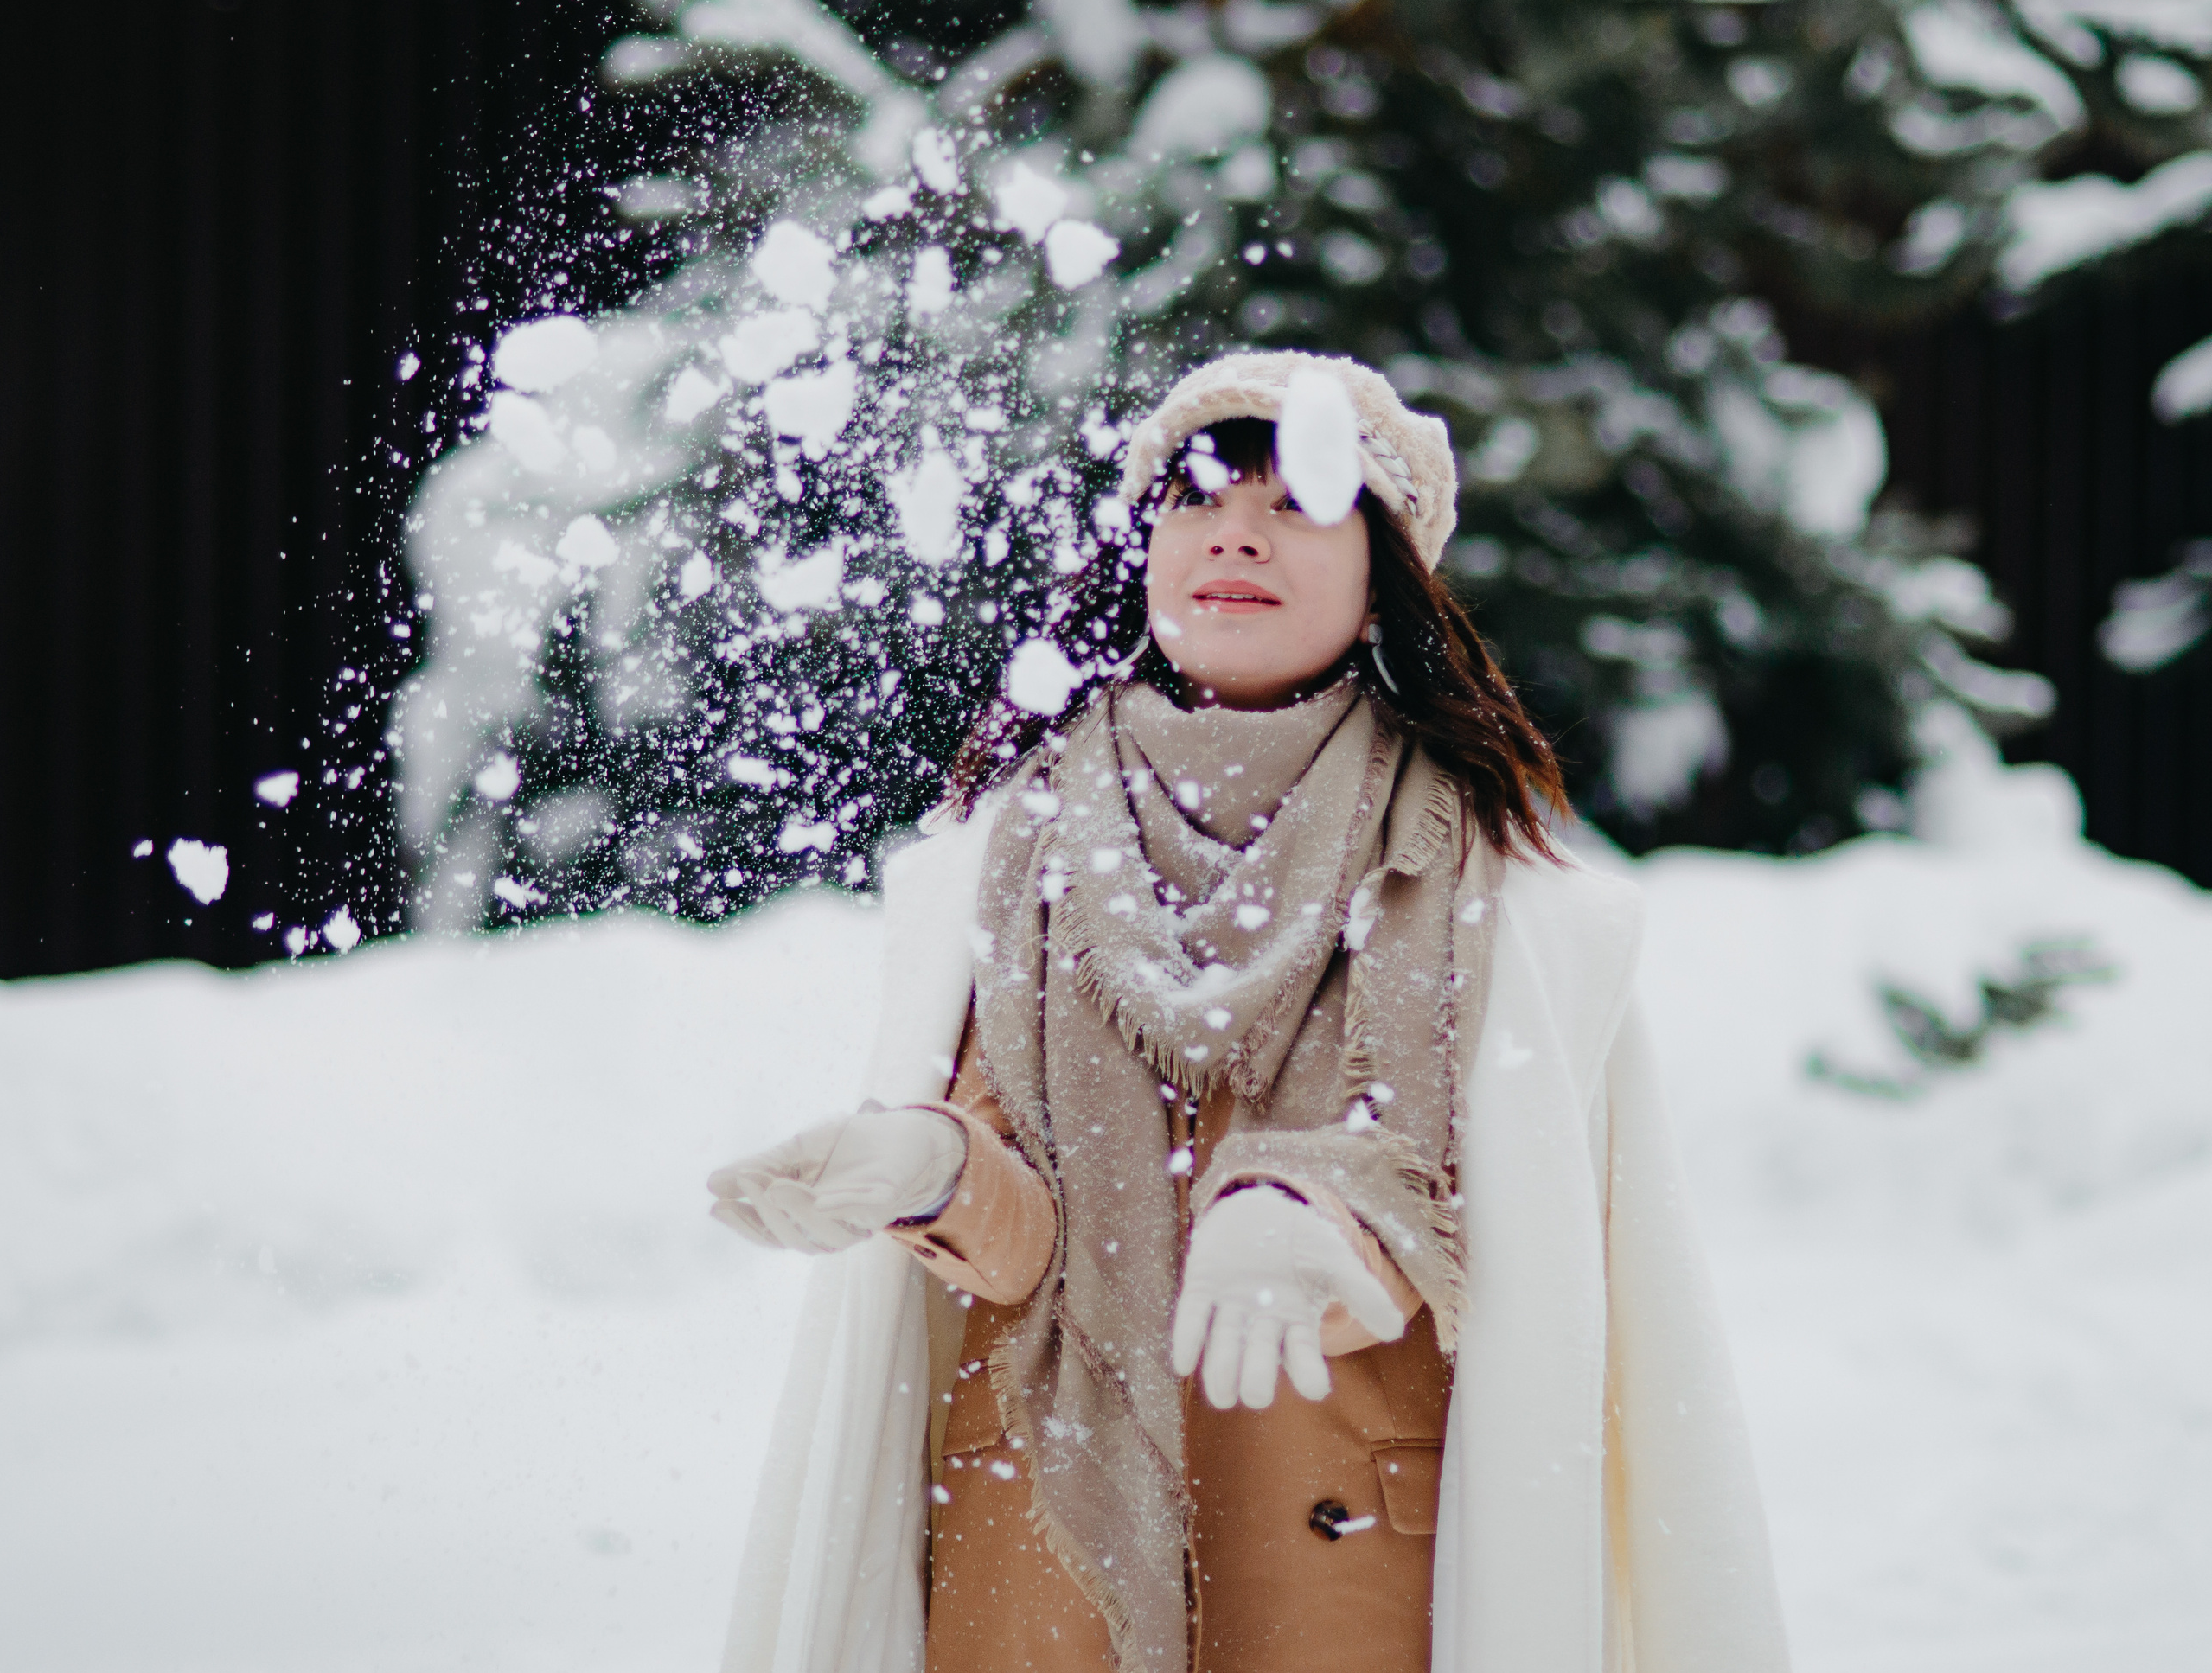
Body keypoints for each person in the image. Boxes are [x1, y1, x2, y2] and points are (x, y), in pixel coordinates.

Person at [706, 351, 1791, 1673]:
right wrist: (927, 1167)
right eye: (1196, 498)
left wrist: (1328, 1218)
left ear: (1384, 569)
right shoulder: (1017, 852)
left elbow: (1485, 1210)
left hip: (1343, 1574)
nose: (1234, 531)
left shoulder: (1484, 882)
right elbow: (1021, 1238)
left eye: (1298, 502)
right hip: (1049, 1555)